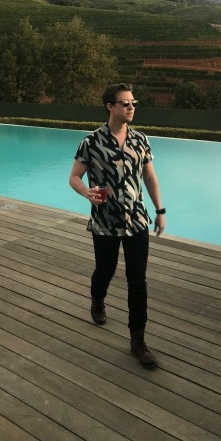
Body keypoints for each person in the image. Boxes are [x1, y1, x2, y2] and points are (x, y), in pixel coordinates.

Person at [69, 82, 165, 368]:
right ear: (110, 107)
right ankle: (97, 299)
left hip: (137, 220)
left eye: (133, 102)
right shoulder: (91, 142)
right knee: (105, 270)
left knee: (138, 280)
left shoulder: (141, 140)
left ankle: (138, 340)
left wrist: (159, 210)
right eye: (125, 103)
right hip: (105, 222)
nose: (131, 107)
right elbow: (74, 177)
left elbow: (149, 177)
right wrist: (86, 192)